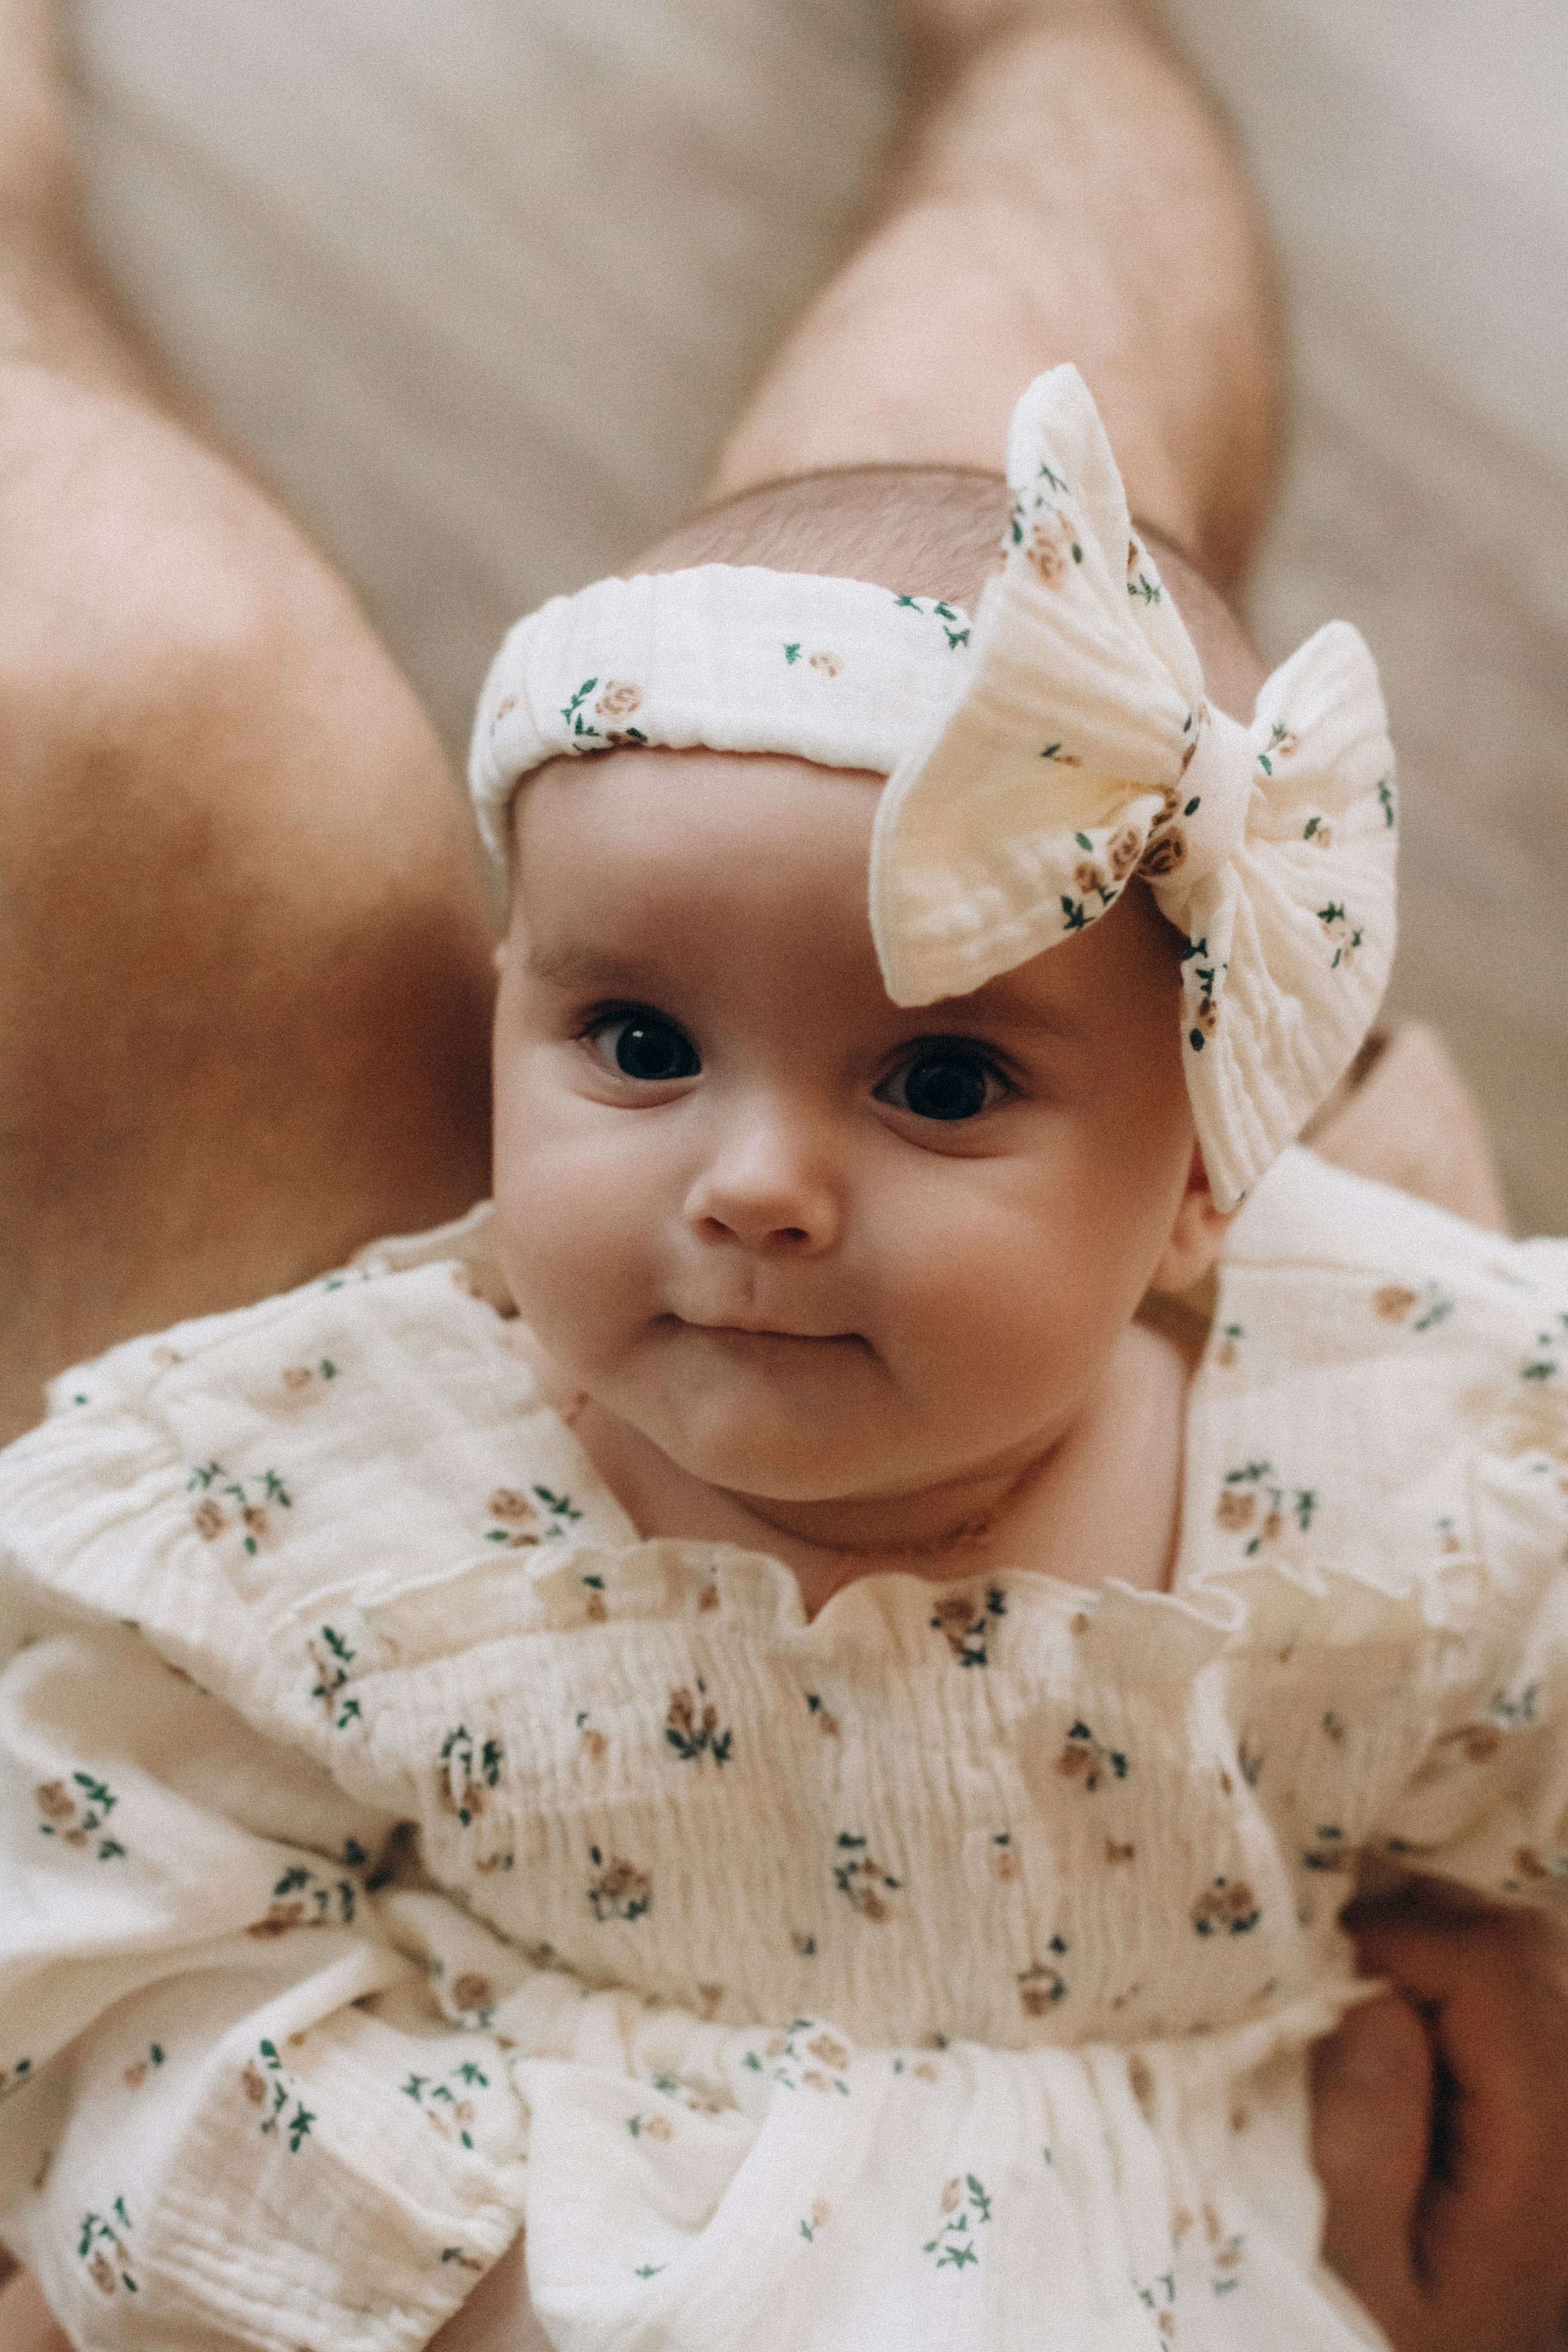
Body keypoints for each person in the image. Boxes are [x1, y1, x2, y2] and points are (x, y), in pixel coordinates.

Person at [0, 1, 1559, 2346]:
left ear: (1211, 1189)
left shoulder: (1371, 1481)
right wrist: (434, 2269)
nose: (752, 1187)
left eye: (937, 1088)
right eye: (634, 1042)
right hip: (516, 2211)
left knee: (139, 671)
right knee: (949, 476)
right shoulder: (354, 1497)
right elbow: (94, 1924)